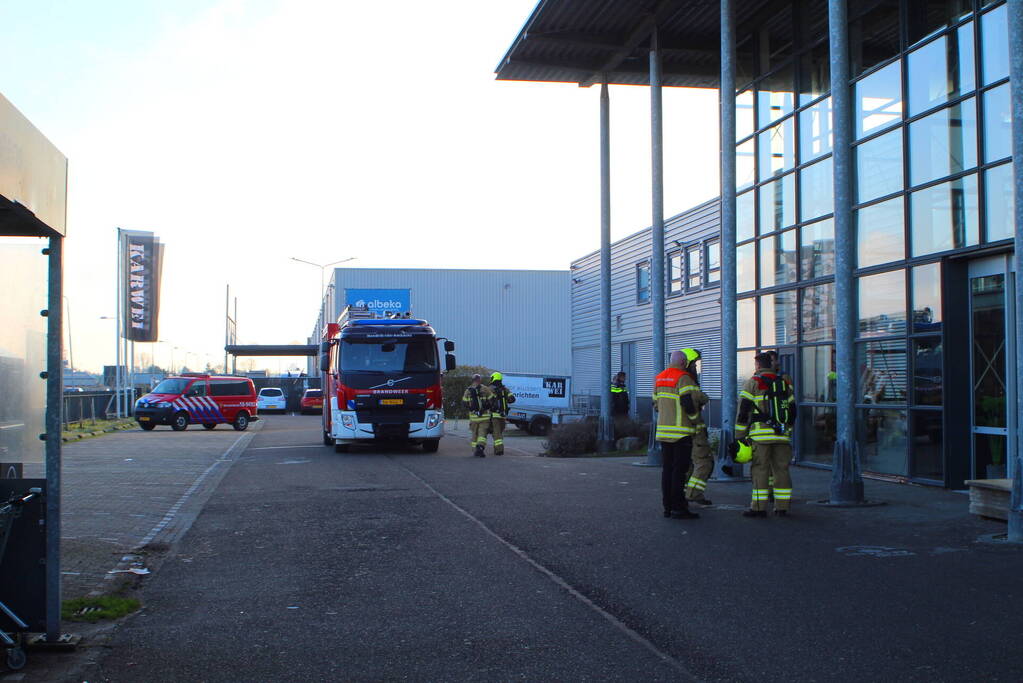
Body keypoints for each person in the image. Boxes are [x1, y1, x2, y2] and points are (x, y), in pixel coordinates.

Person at [735, 351, 796, 517]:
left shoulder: (753, 383)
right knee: (782, 470)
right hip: (782, 435)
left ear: (758, 365)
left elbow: (743, 411)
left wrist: (739, 435)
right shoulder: (783, 383)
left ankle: (758, 508)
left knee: (760, 470)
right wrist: (788, 430)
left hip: (760, 436)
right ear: (772, 364)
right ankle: (782, 506)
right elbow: (792, 410)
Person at [653, 349, 702, 520]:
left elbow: (655, 404)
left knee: (667, 470)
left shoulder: (659, 378)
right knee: (679, 472)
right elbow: (688, 404)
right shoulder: (683, 378)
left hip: (664, 432)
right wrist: (696, 422)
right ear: (683, 363)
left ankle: (667, 507)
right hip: (681, 432)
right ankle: (679, 508)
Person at [680, 352, 713, 506]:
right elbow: (692, 401)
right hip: (694, 430)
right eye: (694, 364)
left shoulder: (675, 380)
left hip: (682, 431)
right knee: (704, 462)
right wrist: (703, 398)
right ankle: (693, 493)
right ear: (687, 364)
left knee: (689, 464)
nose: (696, 367)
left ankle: (686, 492)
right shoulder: (687, 381)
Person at [484, 372, 516, 455]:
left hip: (494, 415)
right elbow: (512, 399)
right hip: (503, 415)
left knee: (495, 433)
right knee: (499, 433)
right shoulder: (504, 389)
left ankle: (499, 450)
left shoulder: (489, 388)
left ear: (493, 378)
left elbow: (485, 401)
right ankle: (497, 449)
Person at [462, 374, 493, 457]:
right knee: (482, 434)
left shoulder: (468, 390)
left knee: (474, 434)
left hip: (473, 418)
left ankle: (475, 450)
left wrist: (471, 409)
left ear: (472, 380)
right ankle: (480, 446)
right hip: (484, 417)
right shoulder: (485, 389)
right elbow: (492, 400)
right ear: (479, 380)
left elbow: (464, 403)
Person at [610, 371, 630, 437]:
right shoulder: (616, 385)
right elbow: (615, 397)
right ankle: (618, 436)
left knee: (623, 423)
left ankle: (622, 435)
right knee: (618, 423)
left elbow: (625, 397)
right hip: (618, 408)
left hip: (623, 408)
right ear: (621, 377)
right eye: (624, 377)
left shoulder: (622, 385)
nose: (625, 378)